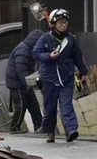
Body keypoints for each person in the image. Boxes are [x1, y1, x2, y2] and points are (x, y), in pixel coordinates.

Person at [34, 8, 88, 144]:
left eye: (65, 22)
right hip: (48, 79)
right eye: (60, 22)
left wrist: (84, 72)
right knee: (50, 107)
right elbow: (36, 53)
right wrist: (48, 56)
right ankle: (50, 131)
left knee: (66, 105)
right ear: (53, 24)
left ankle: (70, 130)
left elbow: (78, 57)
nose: (63, 25)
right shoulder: (45, 38)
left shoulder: (71, 40)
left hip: (66, 78)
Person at [5, 3, 48, 133]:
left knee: (33, 104)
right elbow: (20, 69)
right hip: (16, 82)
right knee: (21, 105)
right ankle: (14, 127)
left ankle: (39, 126)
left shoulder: (28, 48)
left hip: (23, 81)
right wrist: (27, 84)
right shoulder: (23, 49)